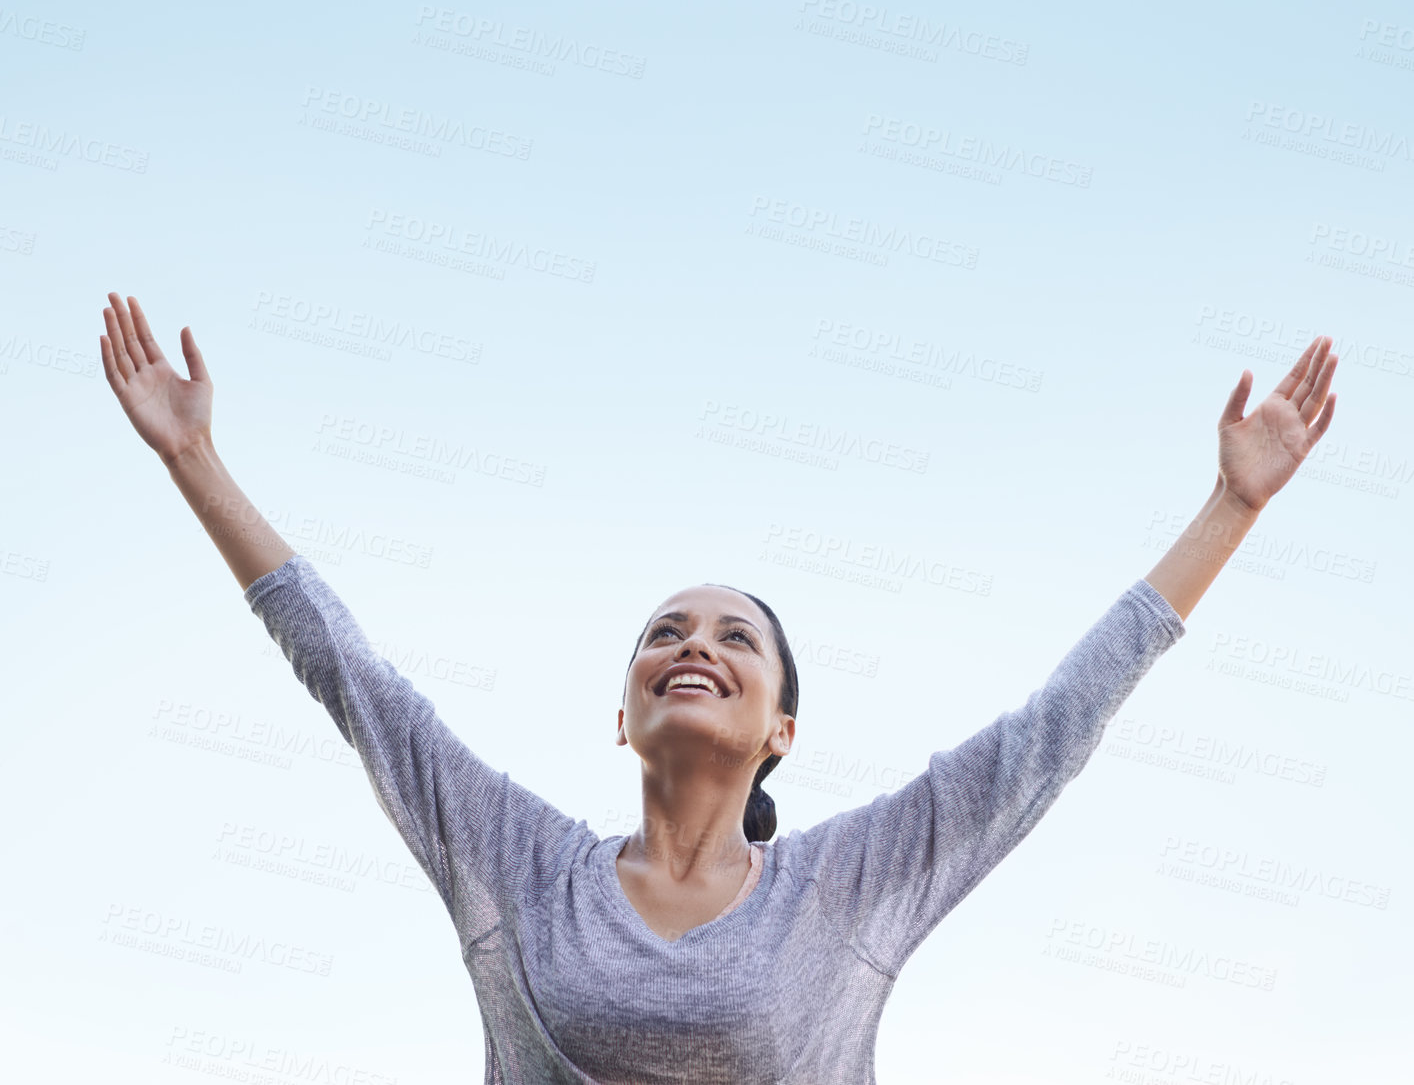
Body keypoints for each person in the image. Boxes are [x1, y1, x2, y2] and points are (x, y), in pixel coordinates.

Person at [99, 291, 1338, 1084]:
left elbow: (1054, 728)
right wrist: (196, 460)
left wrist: (1231, 505)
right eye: (664, 631)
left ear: (781, 727)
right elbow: (350, 678)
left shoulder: (850, 881)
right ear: (624, 709)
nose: (694, 643)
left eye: (736, 636)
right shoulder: (521, 862)